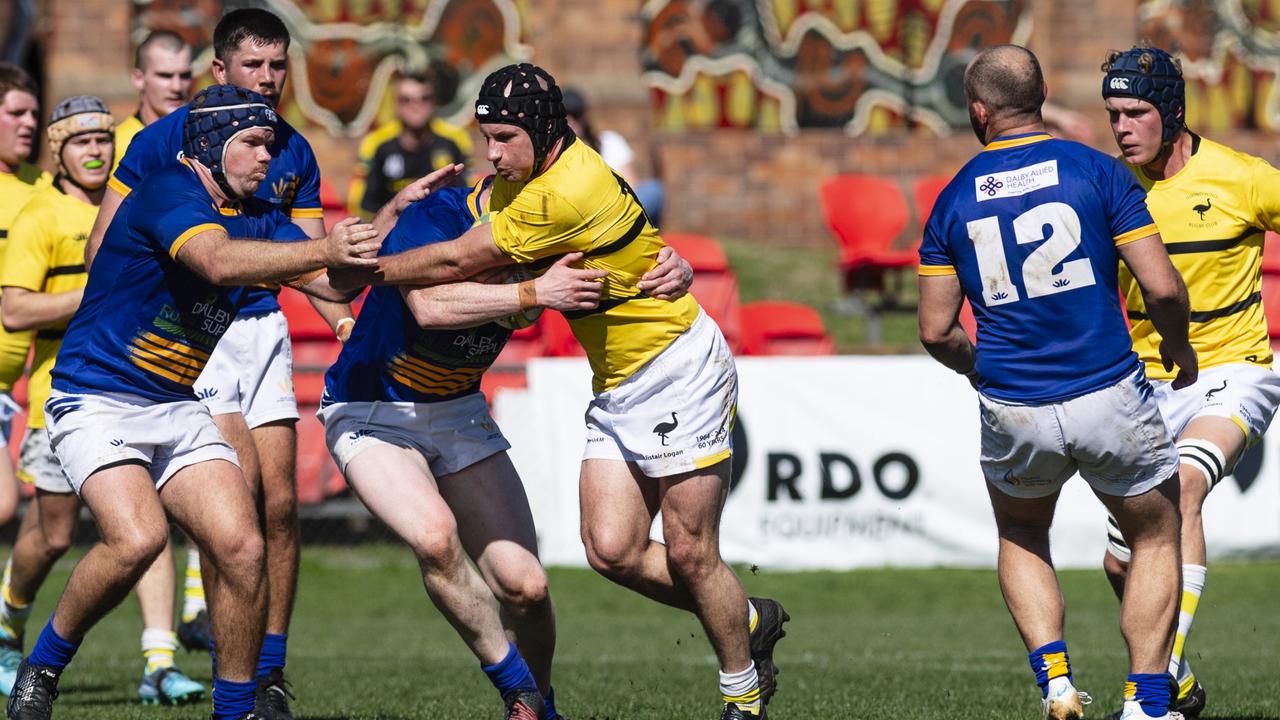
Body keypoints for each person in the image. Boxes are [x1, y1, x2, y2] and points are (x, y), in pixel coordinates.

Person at [331, 62, 788, 720]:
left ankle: (742, 692)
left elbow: (460, 260)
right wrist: (389, 220)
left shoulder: (563, 190)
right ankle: (747, 617)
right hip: (619, 380)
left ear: (546, 132)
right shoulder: (533, 177)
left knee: (690, 552)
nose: (491, 152)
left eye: (504, 137)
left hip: (676, 365)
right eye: (485, 136)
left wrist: (368, 268)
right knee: (610, 550)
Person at [4, 84, 375, 720]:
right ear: (210, 145)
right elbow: (219, 262)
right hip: (95, 397)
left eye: (272, 144)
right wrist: (325, 248)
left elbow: (334, 278)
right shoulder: (166, 190)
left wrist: (420, 243)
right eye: (254, 143)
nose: (269, 157)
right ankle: (42, 666)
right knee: (138, 538)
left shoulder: (258, 215)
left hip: (174, 403)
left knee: (242, 547)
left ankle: (233, 711)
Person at [320, 173, 692, 719]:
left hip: (459, 412)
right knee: (434, 538)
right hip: (373, 409)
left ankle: (538, 707)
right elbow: (428, 306)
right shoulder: (439, 215)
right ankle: (518, 689)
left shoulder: (561, 228)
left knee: (528, 589)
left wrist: (672, 266)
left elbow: (632, 257)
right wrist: (535, 292)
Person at [88, 10, 353, 716]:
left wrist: (348, 319)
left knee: (283, 508)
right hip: (189, 328)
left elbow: (316, 260)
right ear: (218, 72)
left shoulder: (293, 150)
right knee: (233, 512)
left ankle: (269, 670)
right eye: (252, 66)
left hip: (260, 324)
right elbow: (101, 248)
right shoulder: (158, 145)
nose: (268, 80)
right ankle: (229, 665)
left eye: (278, 65)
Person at [917, 45, 1193, 720]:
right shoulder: (1099, 172)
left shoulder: (952, 200)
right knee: (1156, 535)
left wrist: (979, 367)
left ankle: (1058, 684)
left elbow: (935, 331)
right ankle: (1147, 701)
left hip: (1015, 403)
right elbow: (1161, 286)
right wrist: (1180, 348)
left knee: (1021, 534)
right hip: (1108, 389)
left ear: (979, 111)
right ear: (1042, 95)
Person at [0, 96, 206, 706]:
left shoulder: (134, 209)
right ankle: (11, 618)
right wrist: (99, 290)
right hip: (60, 396)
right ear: (59, 151)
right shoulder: (42, 215)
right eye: (80, 142)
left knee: (151, 526)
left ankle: (160, 662)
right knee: (55, 535)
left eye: (102, 141)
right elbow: (13, 310)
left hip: (137, 390)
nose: (95, 151)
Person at [1098, 45, 1280, 719]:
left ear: (1171, 114)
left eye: (1136, 113)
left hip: (1234, 372)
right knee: (1123, 566)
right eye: (1113, 114)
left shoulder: (1241, 178)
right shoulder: (1107, 188)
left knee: (1183, 484)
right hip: (1143, 387)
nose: (1122, 128)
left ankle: (1155, 682)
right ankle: (1177, 679)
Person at [0, 62, 49, 531]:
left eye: (34, 114)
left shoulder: (44, 188)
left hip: (10, 385)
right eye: (17, 112)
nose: (29, 124)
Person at [347, 68, 473, 218]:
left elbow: (469, 195)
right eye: (406, 100)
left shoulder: (456, 140)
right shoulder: (376, 143)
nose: (415, 106)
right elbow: (362, 205)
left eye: (424, 98)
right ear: (396, 105)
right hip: (391, 228)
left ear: (434, 102)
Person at [561, 87, 663, 226]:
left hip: (619, 208)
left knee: (653, 189)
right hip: (589, 215)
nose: (571, 122)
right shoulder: (559, 156)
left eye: (575, 115)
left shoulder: (609, 141)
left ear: (584, 116)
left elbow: (632, 185)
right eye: (565, 117)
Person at [113, 30, 193, 172]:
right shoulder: (116, 147)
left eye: (185, 75)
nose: (177, 87)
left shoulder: (200, 141)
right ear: (138, 78)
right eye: (165, 76)